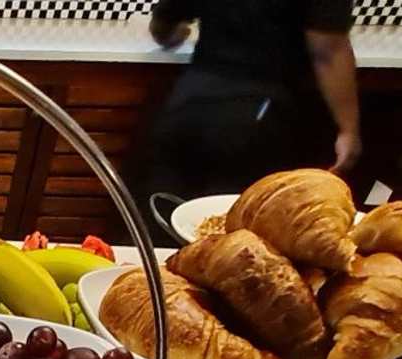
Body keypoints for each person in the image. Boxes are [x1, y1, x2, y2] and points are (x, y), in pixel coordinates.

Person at [139, 0, 361, 206]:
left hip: (187, 107)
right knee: (238, 225)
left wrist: (177, 34)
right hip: (255, 118)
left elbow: (163, 25)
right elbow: (328, 50)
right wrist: (348, 130)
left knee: (168, 219)